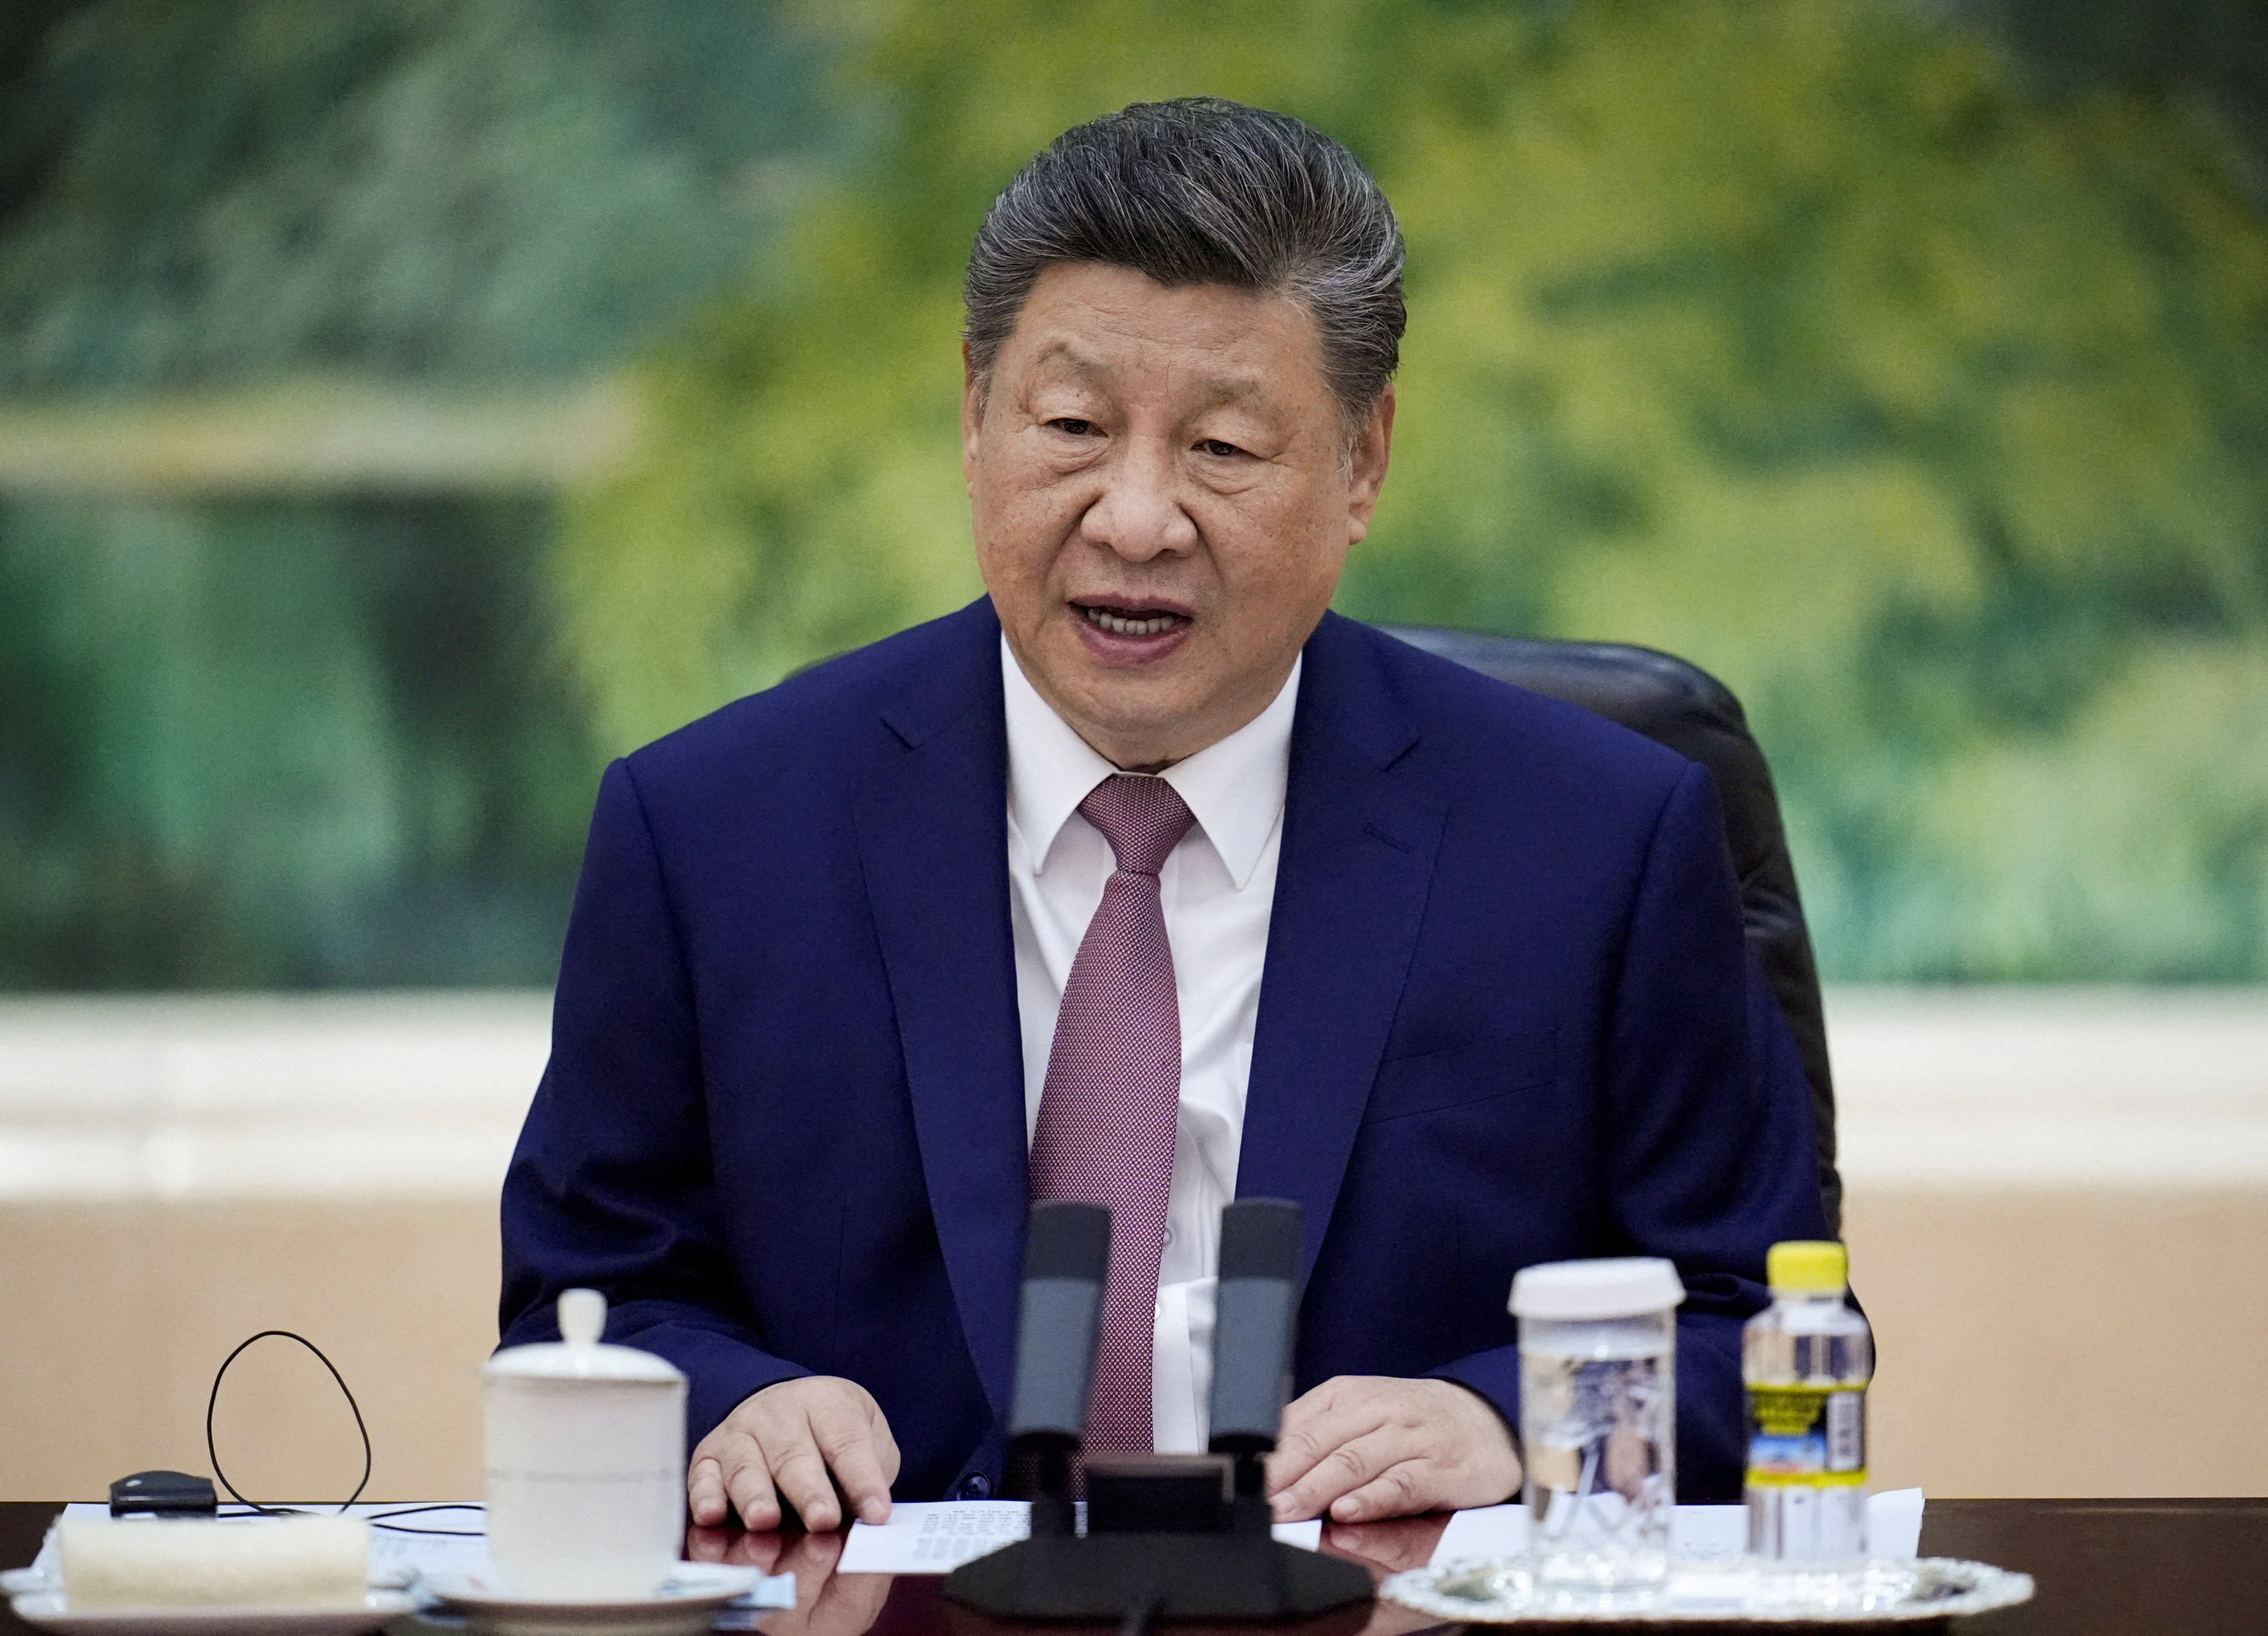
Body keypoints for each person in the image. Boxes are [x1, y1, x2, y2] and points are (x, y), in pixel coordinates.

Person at [500, 96, 1829, 1536]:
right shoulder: (711, 832)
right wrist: (733, 1400)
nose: (1134, 520)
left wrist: (1502, 1416)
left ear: (1362, 463)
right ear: (972, 415)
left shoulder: (1594, 841)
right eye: (1071, 426)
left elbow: (1770, 1342)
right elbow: (588, 1301)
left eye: (1222, 450)